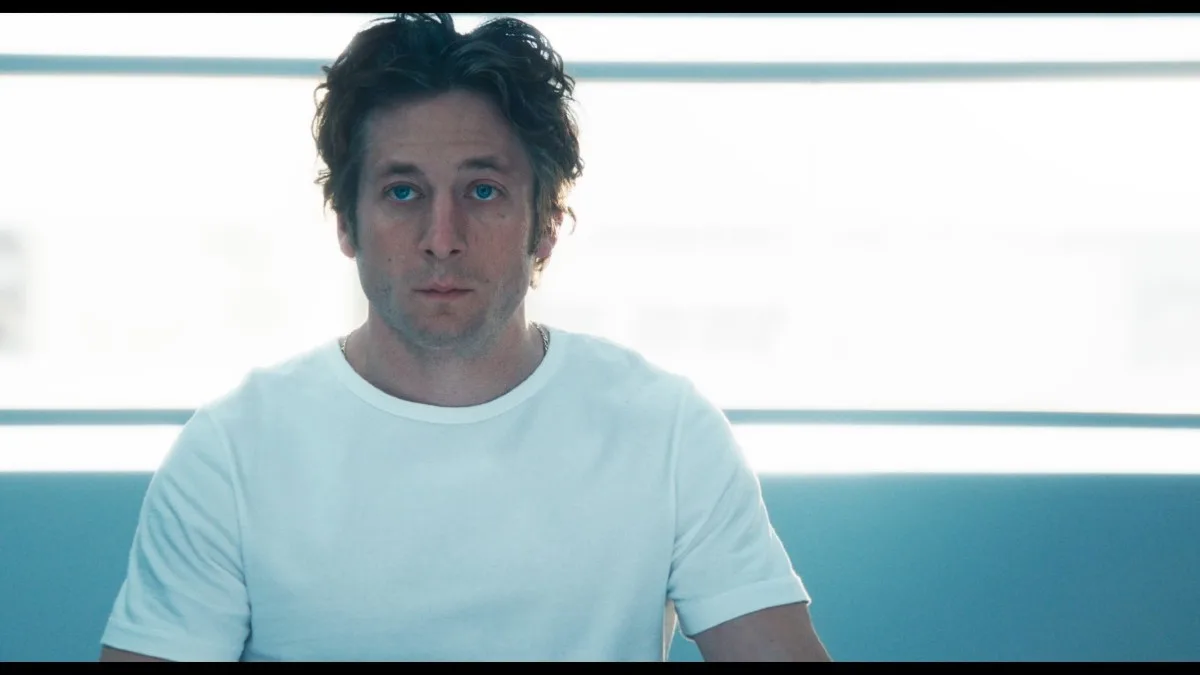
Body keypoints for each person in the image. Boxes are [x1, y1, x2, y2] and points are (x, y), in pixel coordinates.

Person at [98, 13, 831, 662]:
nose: (441, 238)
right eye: (403, 192)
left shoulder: (667, 431)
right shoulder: (232, 451)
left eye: (483, 191)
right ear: (346, 223)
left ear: (546, 225)